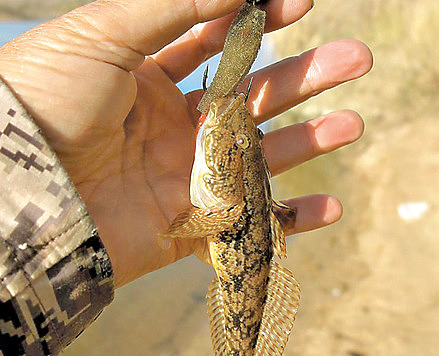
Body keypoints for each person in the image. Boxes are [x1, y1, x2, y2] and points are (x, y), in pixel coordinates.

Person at [0, 0, 372, 354]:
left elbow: (190, 224)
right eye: (247, 140)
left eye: (244, 140)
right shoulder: (226, 186)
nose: (242, 136)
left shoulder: (225, 202)